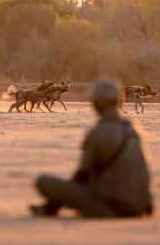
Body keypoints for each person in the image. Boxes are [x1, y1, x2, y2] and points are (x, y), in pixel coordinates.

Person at [30, 79, 153, 218]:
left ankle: (54, 207)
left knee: (43, 182)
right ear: (119, 100)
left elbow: (82, 175)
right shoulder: (132, 128)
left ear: (95, 104)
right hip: (140, 205)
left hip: (112, 207)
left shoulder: (98, 132)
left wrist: (52, 205)